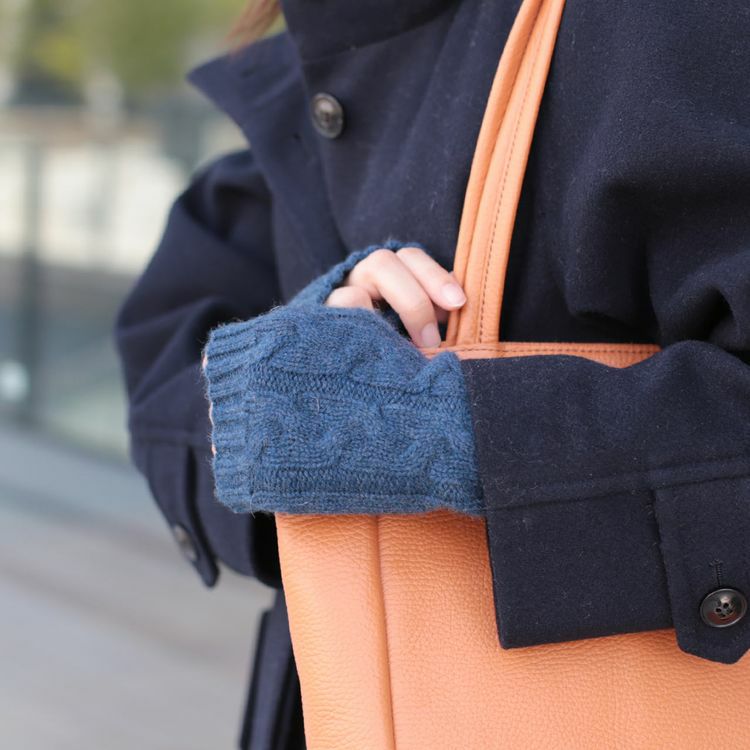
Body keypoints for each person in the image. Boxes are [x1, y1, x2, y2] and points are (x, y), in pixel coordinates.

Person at [114, 1, 750, 748]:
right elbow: (163, 368)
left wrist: (449, 429)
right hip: (334, 698)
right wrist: (295, 378)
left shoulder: (657, 27)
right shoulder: (318, 56)